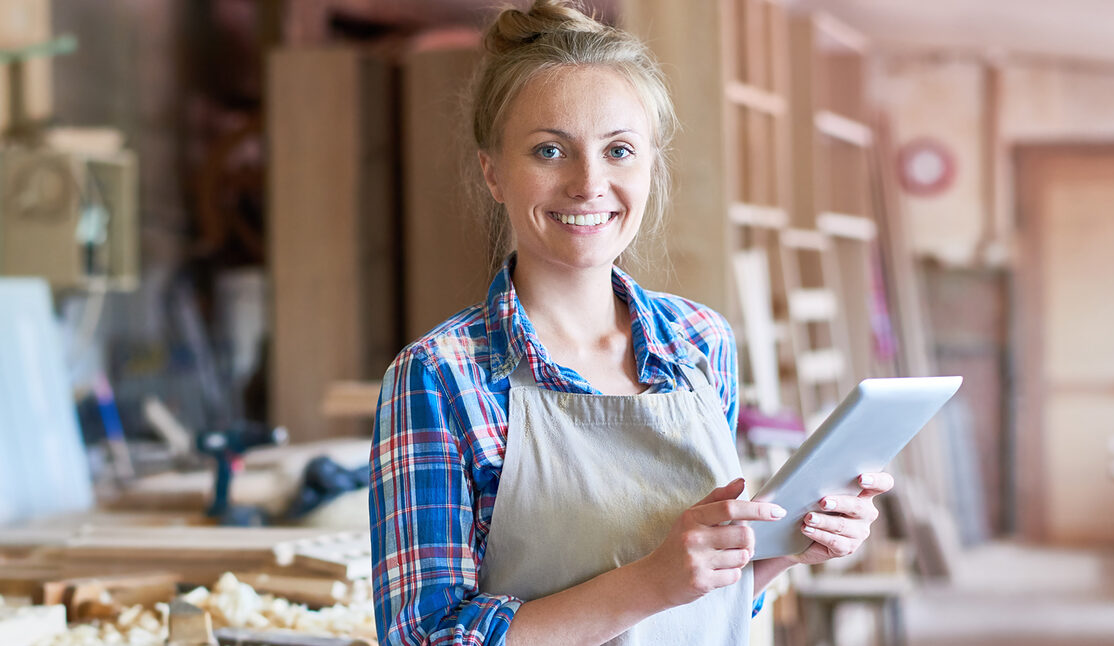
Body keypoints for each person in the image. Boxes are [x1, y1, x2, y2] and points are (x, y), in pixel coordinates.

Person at [368, 1, 894, 644]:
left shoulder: (699, 343)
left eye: (619, 150)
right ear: (493, 172)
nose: (589, 183)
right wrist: (651, 580)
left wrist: (790, 547)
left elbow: (704, 607)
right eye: (549, 150)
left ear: (650, 166)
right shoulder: (439, 377)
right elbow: (424, 637)